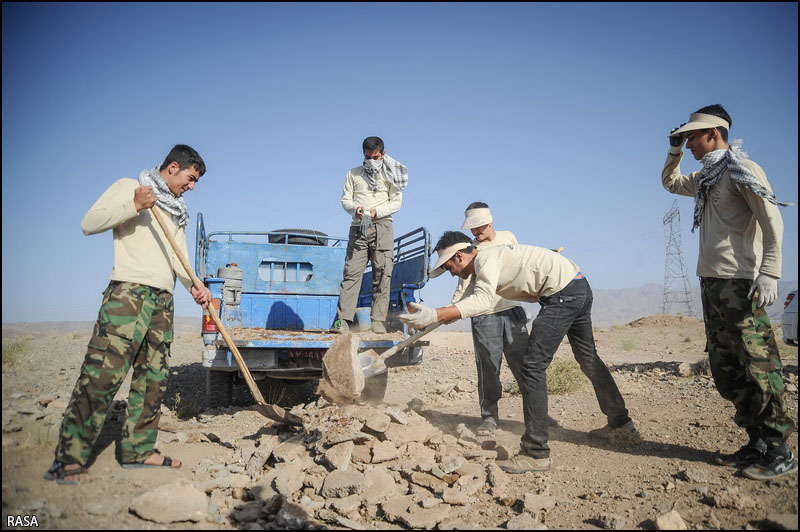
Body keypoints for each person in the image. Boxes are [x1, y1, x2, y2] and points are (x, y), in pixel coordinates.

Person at [399, 231, 636, 473]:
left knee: (532, 366)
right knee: (588, 358)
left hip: (562, 295)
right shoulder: (488, 260)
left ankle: (536, 452)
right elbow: (467, 301)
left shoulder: (484, 259)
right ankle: (621, 424)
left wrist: (436, 313)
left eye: (449, 267)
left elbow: (481, 301)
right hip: (577, 286)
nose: (451, 273)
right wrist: (435, 316)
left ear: (459, 256)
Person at [44, 144, 212, 484]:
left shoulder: (176, 209)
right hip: (128, 295)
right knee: (103, 374)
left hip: (163, 300)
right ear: (174, 167)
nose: (191, 187)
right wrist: (134, 204)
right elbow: (89, 223)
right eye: (191, 179)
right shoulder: (130, 187)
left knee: (153, 379)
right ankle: (69, 459)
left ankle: (138, 450)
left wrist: (195, 284)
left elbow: (177, 256)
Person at [664, 104, 796, 480]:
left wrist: (770, 272)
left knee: (758, 365)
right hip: (712, 284)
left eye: (691, 137)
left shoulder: (742, 170)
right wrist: (672, 152)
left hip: (741, 283)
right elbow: (671, 183)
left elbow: (773, 222)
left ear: (714, 133)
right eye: (685, 138)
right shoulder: (706, 177)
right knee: (728, 367)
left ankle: (780, 451)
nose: (688, 143)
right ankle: (756, 442)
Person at [452, 203, 528, 436]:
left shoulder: (509, 237)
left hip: (513, 309)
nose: (475, 232)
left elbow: (521, 265)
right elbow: (464, 284)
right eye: (472, 228)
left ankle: (536, 413)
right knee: (488, 368)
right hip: (484, 316)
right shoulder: (470, 249)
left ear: (490, 221)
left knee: (526, 365)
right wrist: (450, 310)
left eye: (479, 226)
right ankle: (489, 417)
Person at [332, 136, 408, 334]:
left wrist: (376, 212)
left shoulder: (392, 174)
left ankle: (378, 320)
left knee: (382, 273)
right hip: (358, 227)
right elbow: (345, 200)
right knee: (351, 274)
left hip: (382, 226)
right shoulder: (353, 174)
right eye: (367, 157)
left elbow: (396, 203)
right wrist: (356, 209)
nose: (371, 161)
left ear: (383, 154)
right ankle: (343, 320)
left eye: (375, 157)